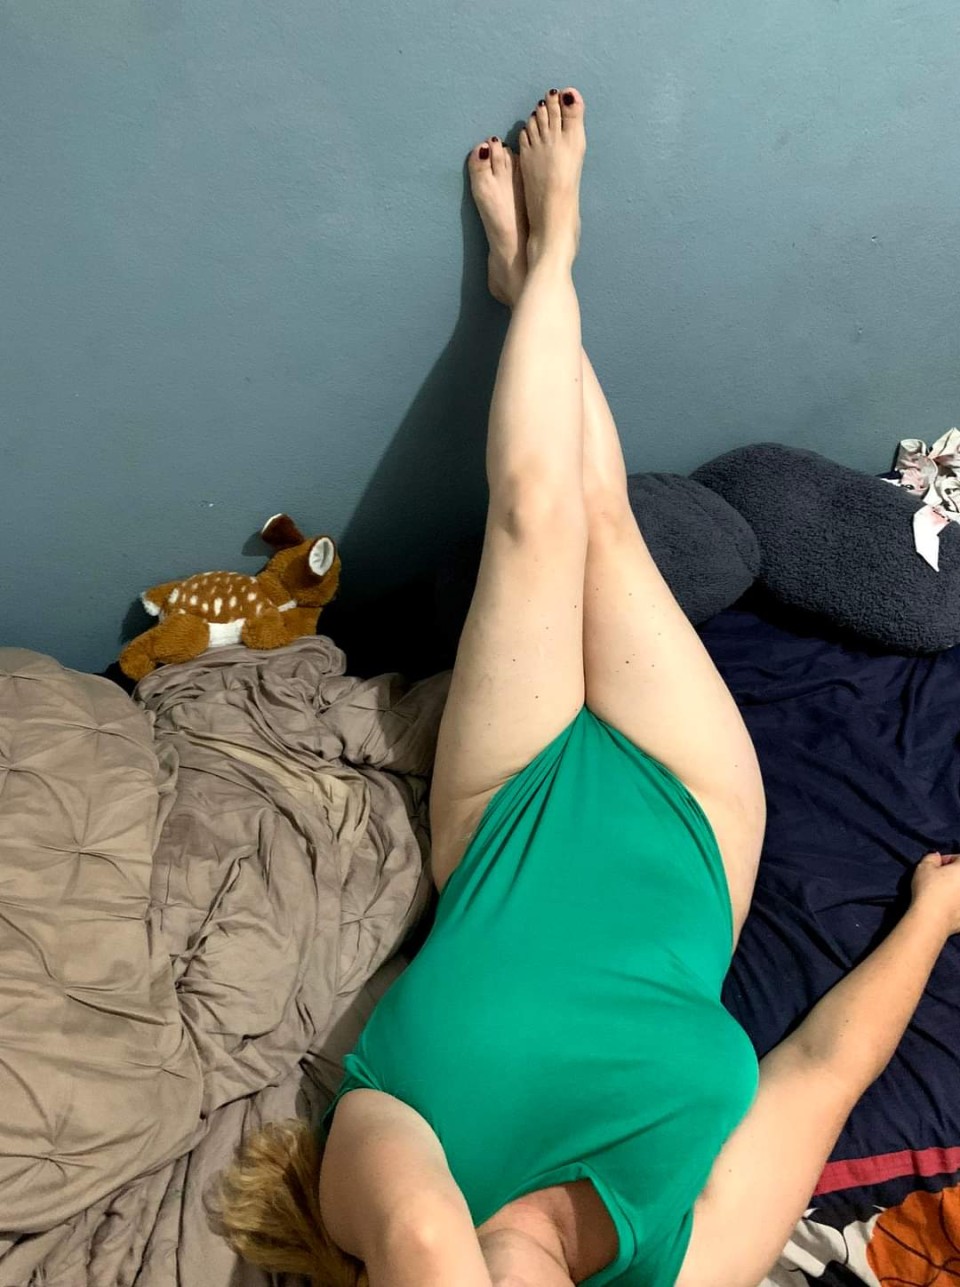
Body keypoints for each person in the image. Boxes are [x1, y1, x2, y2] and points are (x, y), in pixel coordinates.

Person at [212, 86, 960, 1287]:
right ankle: (537, 286)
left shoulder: (386, 1214)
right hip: (696, 821)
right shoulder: (692, 1263)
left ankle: (548, 260)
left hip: (504, 817)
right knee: (605, 522)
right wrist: (931, 918)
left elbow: (427, 1249)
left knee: (537, 518)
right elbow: (824, 1071)